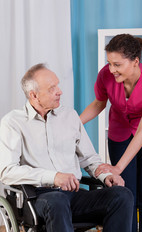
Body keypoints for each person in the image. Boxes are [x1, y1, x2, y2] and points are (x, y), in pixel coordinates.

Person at [0, 63, 133, 232]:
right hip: (37, 197)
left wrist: (106, 176)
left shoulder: (70, 116)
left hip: (74, 195)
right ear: (34, 96)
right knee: (56, 200)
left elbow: (89, 159)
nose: (59, 91)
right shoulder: (13, 122)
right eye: (51, 88)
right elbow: (7, 171)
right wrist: (53, 177)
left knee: (122, 195)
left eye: (58, 85)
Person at [80, 34, 142, 232]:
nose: (112, 69)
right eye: (109, 63)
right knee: (126, 195)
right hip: (119, 134)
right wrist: (73, 124)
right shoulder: (105, 75)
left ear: (135, 61)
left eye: (117, 64)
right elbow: (99, 103)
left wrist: (118, 167)